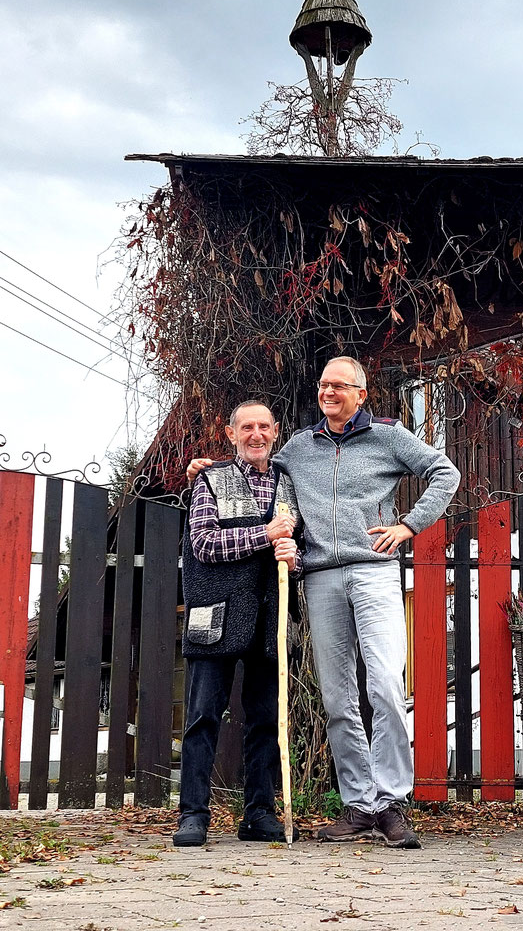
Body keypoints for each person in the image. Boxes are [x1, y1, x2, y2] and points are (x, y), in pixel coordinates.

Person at [188, 358, 460, 848]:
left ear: (360, 391)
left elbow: (445, 473)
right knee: (337, 698)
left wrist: (408, 526)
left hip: (374, 571)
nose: (328, 392)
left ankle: (392, 802)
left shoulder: (389, 435)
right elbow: (260, 474)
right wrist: (208, 469)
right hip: (321, 578)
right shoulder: (298, 446)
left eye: (338, 385)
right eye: (323, 384)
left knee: (385, 686)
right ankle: (359, 805)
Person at [174, 400, 300, 847]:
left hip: (269, 616)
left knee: (265, 718)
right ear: (231, 435)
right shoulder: (210, 479)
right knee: (203, 716)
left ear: (275, 431)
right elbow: (205, 544)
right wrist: (265, 536)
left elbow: (296, 547)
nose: (256, 435)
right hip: (215, 612)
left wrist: (293, 557)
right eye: (247, 427)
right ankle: (193, 815)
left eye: (264, 426)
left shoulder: (288, 485)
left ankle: (259, 814)